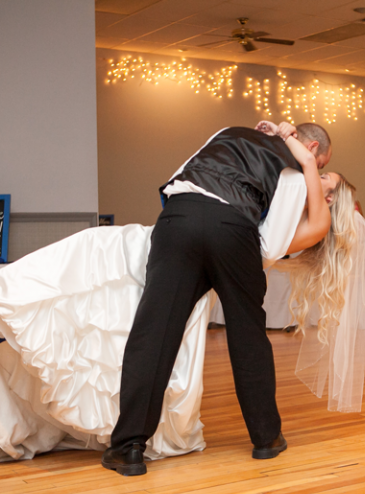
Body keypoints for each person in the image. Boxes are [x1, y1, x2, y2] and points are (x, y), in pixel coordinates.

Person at [103, 121, 337, 475]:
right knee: (248, 335)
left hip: (178, 217)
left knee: (154, 334)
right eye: (319, 167)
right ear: (314, 149)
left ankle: (129, 448)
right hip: (233, 226)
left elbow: (183, 171)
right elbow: (271, 244)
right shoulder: (292, 171)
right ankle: (266, 438)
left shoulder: (229, 130)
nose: (315, 175)